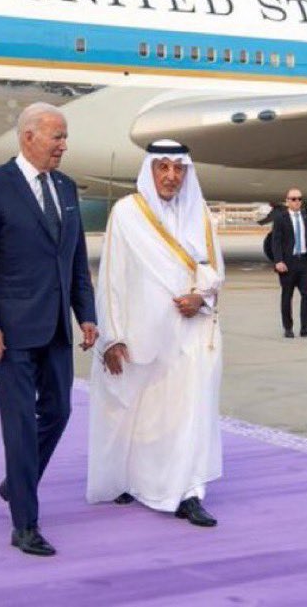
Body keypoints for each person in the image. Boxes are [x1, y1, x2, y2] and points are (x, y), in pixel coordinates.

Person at [0, 102, 97, 557]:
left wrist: (87, 314)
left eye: (65, 137)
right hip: (10, 331)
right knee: (20, 425)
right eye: (57, 137)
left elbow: (74, 260)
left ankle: (17, 481)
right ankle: (25, 524)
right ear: (29, 137)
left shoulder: (66, 187)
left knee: (59, 412)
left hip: (56, 326)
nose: (64, 145)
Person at [87, 140, 225, 529]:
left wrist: (200, 298)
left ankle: (188, 493)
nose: (171, 176)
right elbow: (111, 277)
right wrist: (111, 337)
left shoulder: (200, 214)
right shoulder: (127, 213)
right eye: (162, 167)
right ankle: (134, 481)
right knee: (140, 416)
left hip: (192, 332)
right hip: (141, 334)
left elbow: (214, 271)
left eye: (178, 168)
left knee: (190, 413)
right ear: (149, 170)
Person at [271, 188, 307, 338]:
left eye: (299, 199)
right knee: (287, 296)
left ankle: (306, 327)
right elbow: (276, 241)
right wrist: (278, 261)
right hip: (288, 263)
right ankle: (288, 327)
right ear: (287, 201)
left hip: (304, 262)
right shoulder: (280, 218)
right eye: (293, 199)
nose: (297, 202)